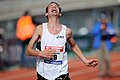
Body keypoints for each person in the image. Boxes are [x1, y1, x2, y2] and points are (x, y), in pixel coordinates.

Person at [26, 2, 98, 80]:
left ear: (60, 14)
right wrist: (41, 53)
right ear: (46, 13)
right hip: (43, 76)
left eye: (56, 6)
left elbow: (73, 46)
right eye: (51, 6)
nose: (54, 7)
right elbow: (28, 51)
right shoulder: (40, 29)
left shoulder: (66, 31)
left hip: (62, 76)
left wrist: (85, 60)